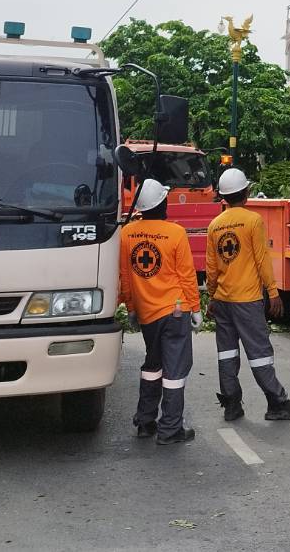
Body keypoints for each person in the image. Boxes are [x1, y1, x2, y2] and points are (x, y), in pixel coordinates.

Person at [205, 168, 290, 423]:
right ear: (246, 193)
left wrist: (212, 298)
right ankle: (277, 402)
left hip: (224, 301)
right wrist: (273, 292)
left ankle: (231, 404)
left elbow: (212, 268)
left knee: (227, 354)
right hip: (247, 300)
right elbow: (262, 260)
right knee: (260, 353)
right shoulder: (253, 221)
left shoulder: (215, 225)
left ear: (225, 197)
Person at [119, 178, 200, 445]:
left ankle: (145, 421)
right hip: (176, 310)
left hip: (147, 314)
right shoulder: (175, 233)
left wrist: (131, 307)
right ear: (162, 203)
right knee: (175, 371)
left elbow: (125, 276)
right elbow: (187, 276)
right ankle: (170, 429)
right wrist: (196, 308)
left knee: (152, 366)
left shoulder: (127, 234)